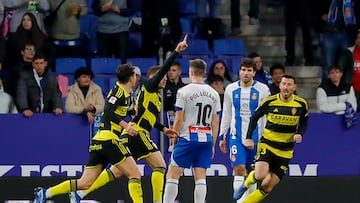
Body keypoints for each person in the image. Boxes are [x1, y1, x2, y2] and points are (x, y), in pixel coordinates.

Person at [69, 35, 188, 203]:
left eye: (166, 78)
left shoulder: (156, 97)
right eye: (162, 77)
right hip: (137, 133)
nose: (165, 79)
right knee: (160, 166)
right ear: (153, 78)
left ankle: (80, 194)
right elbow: (163, 70)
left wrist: (163, 129)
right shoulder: (149, 87)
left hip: (132, 133)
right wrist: (176, 51)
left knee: (117, 172)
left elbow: (147, 117)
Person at [33, 64, 144, 203]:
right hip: (110, 140)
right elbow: (108, 112)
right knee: (135, 174)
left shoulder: (124, 93)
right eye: (135, 75)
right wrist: (126, 126)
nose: (136, 78)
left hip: (99, 141)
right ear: (131, 78)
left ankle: (45, 193)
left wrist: (131, 111)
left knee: (85, 183)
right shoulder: (119, 93)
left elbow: (116, 109)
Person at [234, 74, 309, 203]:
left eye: (289, 84)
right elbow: (254, 118)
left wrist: (300, 134)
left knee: (268, 186)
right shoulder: (270, 101)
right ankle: (247, 183)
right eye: (283, 84)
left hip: (285, 151)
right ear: (279, 85)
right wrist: (248, 138)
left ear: (294, 87)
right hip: (268, 145)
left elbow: (304, 122)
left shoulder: (301, 104)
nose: (286, 87)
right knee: (260, 176)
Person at [163, 59, 222, 203]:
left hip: (188, 137)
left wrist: (174, 138)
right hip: (206, 138)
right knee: (200, 176)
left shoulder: (183, 91)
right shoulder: (214, 93)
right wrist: (213, 143)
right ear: (205, 73)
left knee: (172, 174)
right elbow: (215, 122)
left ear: (190, 72)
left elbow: (178, 119)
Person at [218, 57, 270, 202]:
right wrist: (223, 135)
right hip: (236, 136)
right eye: (243, 70)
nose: (246, 73)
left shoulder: (263, 90)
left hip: (257, 138)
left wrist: (266, 138)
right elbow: (227, 113)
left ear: (254, 73)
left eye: (249, 70)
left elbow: (267, 115)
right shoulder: (231, 89)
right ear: (239, 71)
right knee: (239, 169)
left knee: (252, 173)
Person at [314, 0, 357, 81]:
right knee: (328, 65)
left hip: (346, 33)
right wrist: (320, 14)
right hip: (329, 32)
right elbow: (316, 5)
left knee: (347, 64)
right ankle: (326, 90)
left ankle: (345, 89)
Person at [16, 52, 63, 118]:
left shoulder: (52, 78)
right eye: (36, 63)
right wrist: (24, 108)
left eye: (41, 63)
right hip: (30, 114)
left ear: (45, 64)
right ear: (33, 64)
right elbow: (21, 94)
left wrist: (58, 106)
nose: (39, 66)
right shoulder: (24, 77)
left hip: (47, 115)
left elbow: (56, 94)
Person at [283, 0, 314, 66]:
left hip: (305, 4)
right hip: (290, 4)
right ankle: (290, 57)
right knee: (290, 33)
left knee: (307, 32)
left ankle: (309, 58)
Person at [339, 29, 360, 112]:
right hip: (352, 91)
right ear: (355, 40)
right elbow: (340, 69)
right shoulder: (348, 53)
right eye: (358, 38)